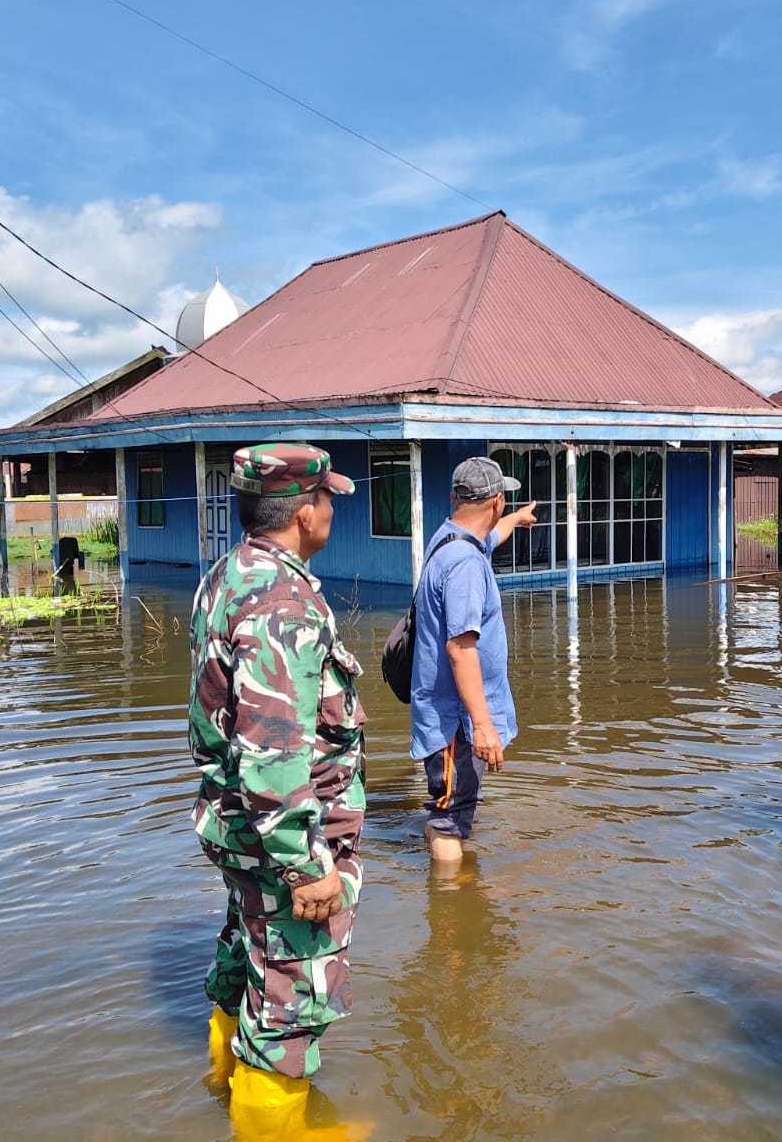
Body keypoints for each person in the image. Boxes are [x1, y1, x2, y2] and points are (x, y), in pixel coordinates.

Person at [187, 443, 368, 1141]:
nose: (331, 513)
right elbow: (273, 751)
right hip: (280, 838)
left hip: (235, 825)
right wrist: (306, 866)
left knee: (249, 957)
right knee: (294, 994)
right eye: (328, 501)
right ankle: (275, 1129)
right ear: (303, 512)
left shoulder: (228, 576)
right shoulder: (280, 602)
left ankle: (220, 1078)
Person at [410, 456, 537, 866]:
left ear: (455, 497)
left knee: (451, 809)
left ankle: (437, 853)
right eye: (505, 505)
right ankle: (453, 916)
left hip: (452, 715)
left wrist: (515, 520)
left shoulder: (451, 539)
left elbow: (489, 536)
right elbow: (460, 649)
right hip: (457, 721)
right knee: (452, 820)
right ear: (495, 500)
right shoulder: (465, 564)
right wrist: (483, 727)